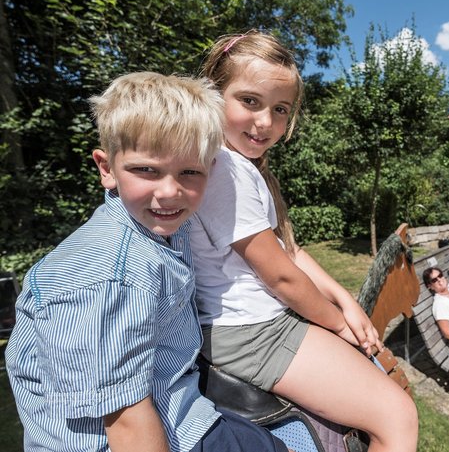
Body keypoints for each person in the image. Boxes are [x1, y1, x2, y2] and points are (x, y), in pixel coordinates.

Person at [5, 72, 288, 452]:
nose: (170, 192)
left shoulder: (166, 230)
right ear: (106, 168)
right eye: (147, 170)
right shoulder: (111, 278)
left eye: (190, 172)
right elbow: (126, 424)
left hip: (181, 408)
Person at [190, 30, 418, 452]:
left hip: (261, 320)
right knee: (397, 415)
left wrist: (345, 301)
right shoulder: (226, 171)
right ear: (213, 94)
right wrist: (339, 326)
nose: (265, 122)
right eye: (249, 101)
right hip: (250, 330)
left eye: (280, 109)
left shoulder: (244, 167)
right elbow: (282, 279)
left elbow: (290, 250)